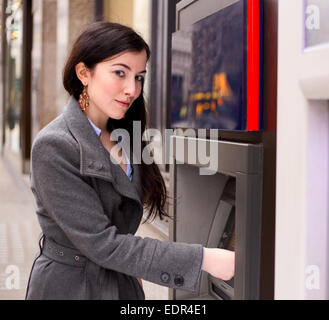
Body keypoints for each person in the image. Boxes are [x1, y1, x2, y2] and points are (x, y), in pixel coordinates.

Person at [25, 21, 234, 300]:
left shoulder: (124, 134)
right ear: (84, 72)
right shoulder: (54, 146)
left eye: (138, 77)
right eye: (120, 73)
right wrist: (205, 258)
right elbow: (103, 244)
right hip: (72, 288)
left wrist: (131, 272)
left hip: (119, 282)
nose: (132, 90)